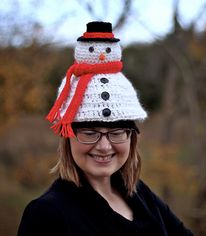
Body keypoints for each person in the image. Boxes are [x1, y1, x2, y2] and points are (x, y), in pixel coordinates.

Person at [17, 21, 194, 236]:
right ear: (68, 135)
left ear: (132, 137)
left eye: (117, 132)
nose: (103, 146)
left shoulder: (141, 194)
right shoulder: (47, 215)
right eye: (90, 132)